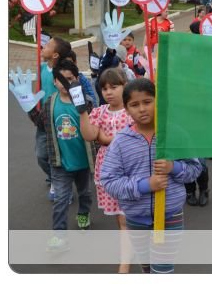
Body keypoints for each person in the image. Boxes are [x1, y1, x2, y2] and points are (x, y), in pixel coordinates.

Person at [100, 79, 203, 273]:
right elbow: (109, 181)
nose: (142, 109)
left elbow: (195, 170)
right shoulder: (120, 142)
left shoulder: (175, 135)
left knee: (162, 270)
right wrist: (145, 185)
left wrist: (174, 167)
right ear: (127, 109)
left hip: (169, 216)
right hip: (135, 218)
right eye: (134, 104)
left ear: (158, 101)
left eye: (147, 101)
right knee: (146, 268)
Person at [28, 59, 97, 251]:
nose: (66, 83)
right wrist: (30, 108)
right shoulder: (50, 102)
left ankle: (83, 213)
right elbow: (41, 125)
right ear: (55, 81)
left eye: (70, 79)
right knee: (60, 199)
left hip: (84, 161)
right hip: (60, 163)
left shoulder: (87, 103)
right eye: (62, 79)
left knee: (85, 193)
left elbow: (95, 127)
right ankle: (59, 235)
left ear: (76, 79)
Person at [79, 68, 133, 272]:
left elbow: (131, 136)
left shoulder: (132, 109)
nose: (108, 92)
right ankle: (128, 252)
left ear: (125, 86)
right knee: (121, 217)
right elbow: (90, 134)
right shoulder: (100, 111)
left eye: (114, 86)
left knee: (126, 216)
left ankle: (125, 262)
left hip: (132, 168)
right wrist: (82, 112)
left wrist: (106, 138)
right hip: (109, 170)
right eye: (104, 88)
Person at [38, 37, 73, 199]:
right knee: (41, 156)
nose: (44, 46)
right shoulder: (42, 68)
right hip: (42, 119)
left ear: (55, 55)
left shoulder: (63, 73)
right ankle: (56, 178)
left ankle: (61, 183)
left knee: (59, 154)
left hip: (58, 119)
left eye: (48, 45)